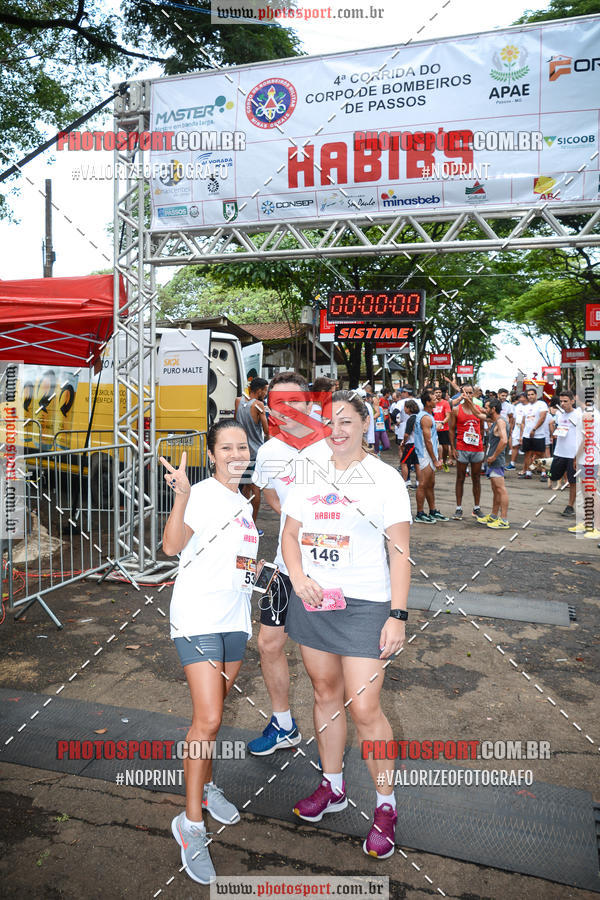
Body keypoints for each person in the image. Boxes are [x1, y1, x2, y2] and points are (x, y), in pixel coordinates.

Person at [281, 391, 411, 859]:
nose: (336, 431)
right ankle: (332, 786)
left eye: (346, 422)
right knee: (323, 693)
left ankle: (385, 805)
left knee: (364, 709)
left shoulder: (385, 479)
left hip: (366, 606)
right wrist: (297, 577)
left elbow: (399, 552)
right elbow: (290, 533)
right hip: (314, 600)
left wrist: (397, 615)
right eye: (329, 422)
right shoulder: (309, 469)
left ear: (364, 424)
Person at [160, 422, 258, 884]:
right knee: (210, 718)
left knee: (213, 712)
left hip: (234, 619)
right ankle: (190, 825)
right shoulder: (198, 491)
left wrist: (263, 573)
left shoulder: (243, 501)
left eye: (242, 446)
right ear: (212, 453)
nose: (237, 453)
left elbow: (233, 559)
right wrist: (180, 496)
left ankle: (206, 782)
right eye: (227, 448)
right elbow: (171, 546)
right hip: (197, 617)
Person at [249, 372, 331, 756]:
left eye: (293, 401)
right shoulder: (267, 453)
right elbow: (274, 501)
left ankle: (337, 734)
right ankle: (283, 724)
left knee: (327, 658)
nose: (286, 409)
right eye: (277, 402)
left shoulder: (333, 444)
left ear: (308, 403)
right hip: (286, 566)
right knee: (268, 643)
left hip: (333, 569)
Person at [448, 384, 487, 520]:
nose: (469, 395)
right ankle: (458, 508)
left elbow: (482, 427)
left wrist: (481, 443)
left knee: (476, 478)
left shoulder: (478, 409)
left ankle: (476, 508)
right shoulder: (456, 410)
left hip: (477, 448)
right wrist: (452, 448)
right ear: (461, 394)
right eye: (466, 393)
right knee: (460, 478)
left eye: (471, 393)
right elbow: (451, 429)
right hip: (462, 448)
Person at [235, 377, 269, 523]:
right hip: (255, 452)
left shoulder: (238, 401)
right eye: (265, 390)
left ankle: (243, 520)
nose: (266, 393)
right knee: (255, 487)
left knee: (244, 487)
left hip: (240, 450)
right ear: (259, 390)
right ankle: (252, 524)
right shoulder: (259, 405)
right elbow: (267, 430)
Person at [412, 390, 448, 523]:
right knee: (423, 484)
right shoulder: (425, 418)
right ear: (427, 402)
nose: (436, 400)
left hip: (429, 453)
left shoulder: (428, 415)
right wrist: (435, 459)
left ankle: (432, 510)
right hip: (424, 455)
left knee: (430, 484)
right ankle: (420, 513)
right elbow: (427, 440)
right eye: (433, 399)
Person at [476, 399, 510, 528]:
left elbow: (504, 441)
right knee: (496, 489)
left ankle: (504, 520)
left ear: (493, 409)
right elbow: (477, 413)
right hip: (492, 460)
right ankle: (494, 515)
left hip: (496, 460)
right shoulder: (495, 420)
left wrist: (494, 456)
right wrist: (467, 400)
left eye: (487, 407)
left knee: (501, 489)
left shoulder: (500, 422)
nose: (485, 409)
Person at [550, 390, 582, 518]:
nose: (562, 404)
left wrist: (577, 455)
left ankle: (570, 506)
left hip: (573, 454)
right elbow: (559, 427)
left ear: (573, 401)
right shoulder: (559, 414)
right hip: (559, 452)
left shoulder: (579, 415)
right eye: (561, 401)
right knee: (553, 475)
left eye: (565, 401)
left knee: (573, 481)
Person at [519, 387, 548, 479]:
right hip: (527, 435)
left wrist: (534, 429)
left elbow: (542, 418)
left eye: (532, 394)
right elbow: (523, 422)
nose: (530, 396)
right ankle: (528, 472)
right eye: (528, 395)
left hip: (538, 434)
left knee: (541, 454)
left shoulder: (541, 404)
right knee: (528, 454)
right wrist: (523, 434)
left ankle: (544, 473)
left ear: (536, 395)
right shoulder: (525, 407)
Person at [399, 399, 420, 488]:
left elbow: (407, 434)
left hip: (411, 444)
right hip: (418, 444)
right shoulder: (419, 417)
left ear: (409, 408)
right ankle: (419, 482)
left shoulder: (411, 419)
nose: (404, 409)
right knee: (417, 463)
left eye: (405, 407)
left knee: (403, 462)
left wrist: (404, 442)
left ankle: (405, 482)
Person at [432, 387, 452, 470]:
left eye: (439, 392)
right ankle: (435, 463)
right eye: (436, 392)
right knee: (433, 447)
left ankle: (444, 462)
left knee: (445, 448)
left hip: (443, 428)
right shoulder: (431, 403)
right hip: (433, 428)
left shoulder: (445, 403)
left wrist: (442, 423)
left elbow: (448, 416)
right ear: (433, 394)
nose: (438, 394)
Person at [507, 391, 527, 469]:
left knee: (527, 449)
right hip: (517, 428)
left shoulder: (530, 406)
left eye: (521, 397)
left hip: (526, 429)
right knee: (515, 446)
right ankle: (512, 464)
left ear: (525, 398)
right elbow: (514, 418)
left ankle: (527, 467)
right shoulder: (517, 406)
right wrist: (512, 428)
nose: (519, 399)